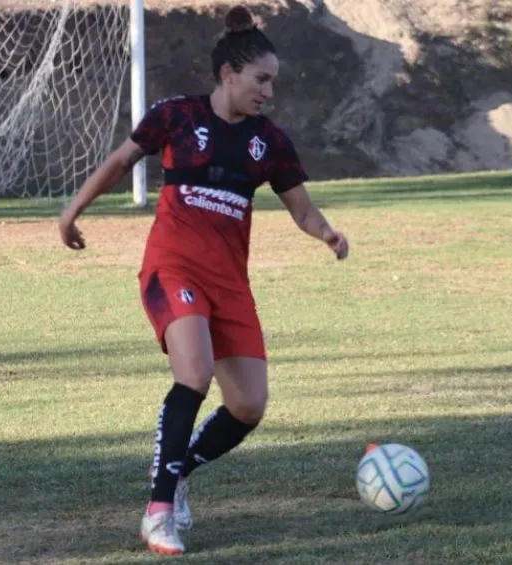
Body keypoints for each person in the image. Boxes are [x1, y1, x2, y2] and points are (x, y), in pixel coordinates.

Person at [57, 4, 349, 555]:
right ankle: (159, 511)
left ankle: (179, 470)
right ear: (229, 74)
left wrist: (328, 234)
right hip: (174, 267)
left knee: (248, 407)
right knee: (191, 375)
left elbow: (302, 211)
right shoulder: (177, 115)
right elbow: (121, 162)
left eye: (274, 81)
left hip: (230, 285)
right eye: (262, 79)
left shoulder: (271, 142)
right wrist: (72, 212)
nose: (269, 91)